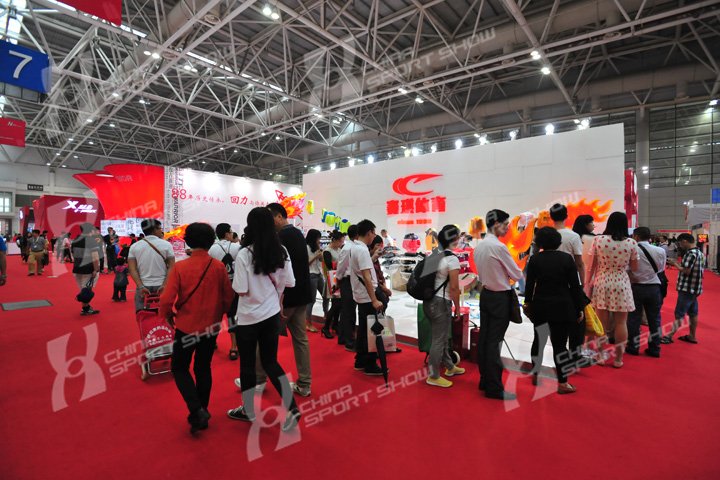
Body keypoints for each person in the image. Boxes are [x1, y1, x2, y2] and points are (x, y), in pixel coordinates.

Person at [226, 208, 302, 431]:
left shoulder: (245, 254)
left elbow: (240, 289)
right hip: (271, 315)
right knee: (271, 362)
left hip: (248, 318)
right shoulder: (282, 251)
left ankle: (248, 410)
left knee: (248, 365)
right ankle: (292, 407)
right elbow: (290, 283)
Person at [159, 223, 234, 434]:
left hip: (186, 326)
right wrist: (219, 314)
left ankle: (196, 409)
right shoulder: (218, 267)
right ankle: (203, 411)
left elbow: (166, 299)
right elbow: (228, 298)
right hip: (210, 326)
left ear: (188, 241)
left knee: (179, 367)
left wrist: (167, 315)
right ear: (211, 241)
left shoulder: (181, 267)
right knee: (203, 368)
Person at [257, 203, 313, 397]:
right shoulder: (297, 233)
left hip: (285, 298)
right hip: (302, 295)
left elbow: (277, 271)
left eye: (270, 218)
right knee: (301, 340)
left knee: (265, 338)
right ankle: (305, 384)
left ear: (280, 216)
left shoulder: (280, 237)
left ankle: (258, 380)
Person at [524, 227, 587, 394]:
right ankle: (563, 382)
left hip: (540, 305)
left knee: (539, 340)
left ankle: (536, 373)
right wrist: (579, 307)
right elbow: (575, 286)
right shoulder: (566, 259)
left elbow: (529, 284)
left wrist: (528, 303)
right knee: (560, 345)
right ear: (558, 242)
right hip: (563, 306)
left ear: (539, 243)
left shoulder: (535, 259)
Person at [472, 209, 524, 400]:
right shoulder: (498, 247)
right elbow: (517, 274)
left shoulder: (480, 246)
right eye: (506, 224)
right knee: (494, 342)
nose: (508, 228)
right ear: (496, 224)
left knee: (485, 340)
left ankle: (485, 380)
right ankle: (494, 387)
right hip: (499, 297)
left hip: (486, 295)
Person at [585, 212, 638, 368]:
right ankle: (618, 359)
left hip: (602, 281)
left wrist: (587, 284)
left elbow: (591, 266)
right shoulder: (631, 243)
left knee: (601, 323)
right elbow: (635, 268)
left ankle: (601, 355)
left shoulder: (598, 240)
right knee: (621, 323)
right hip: (622, 283)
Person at [424, 225, 465, 388]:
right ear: (453, 239)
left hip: (429, 302)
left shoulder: (434, 255)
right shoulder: (452, 259)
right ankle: (433, 375)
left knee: (442, 337)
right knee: (439, 340)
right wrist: (458, 308)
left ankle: (449, 366)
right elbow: (454, 288)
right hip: (441, 303)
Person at [550, 204, 587, 368]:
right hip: (571, 283)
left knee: (556, 322)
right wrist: (581, 284)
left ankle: (561, 354)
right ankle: (574, 355)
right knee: (577, 320)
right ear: (566, 216)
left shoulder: (547, 234)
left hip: (551, 282)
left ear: (551, 217)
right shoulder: (573, 236)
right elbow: (579, 263)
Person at [350, 219, 385, 375]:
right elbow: (366, 276)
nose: (374, 236)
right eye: (374, 233)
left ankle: (360, 360)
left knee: (364, 330)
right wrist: (374, 299)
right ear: (369, 232)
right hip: (366, 296)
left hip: (361, 294)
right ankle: (370, 363)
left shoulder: (355, 247)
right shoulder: (362, 250)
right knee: (371, 331)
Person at [626, 227, 666, 357]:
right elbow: (661, 269)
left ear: (636, 236)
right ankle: (655, 348)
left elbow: (627, 269)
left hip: (636, 287)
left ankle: (633, 347)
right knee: (655, 319)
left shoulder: (632, 250)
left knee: (633, 319)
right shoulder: (660, 250)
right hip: (654, 287)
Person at [662, 233, 705, 345]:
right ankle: (692, 336)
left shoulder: (690, 253)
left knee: (679, 313)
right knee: (693, 313)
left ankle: (669, 336)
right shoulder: (700, 253)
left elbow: (686, 271)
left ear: (685, 241)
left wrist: (674, 263)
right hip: (695, 288)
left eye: (680, 243)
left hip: (687, 288)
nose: (680, 245)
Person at [208, 223, 242, 360]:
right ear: (227, 233)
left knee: (214, 316)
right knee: (233, 316)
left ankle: (212, 342)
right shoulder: (237, 247)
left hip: (216, 287)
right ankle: (234, 347)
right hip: (233, 287)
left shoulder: (211, 249)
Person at [128, 219, 175, 312]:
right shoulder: (167, 245)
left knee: (143, 315)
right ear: (154, 230)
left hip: (143, 286)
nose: (161, 231)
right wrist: (165, 284)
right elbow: (172, 267)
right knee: (164, 315)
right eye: (160, 228)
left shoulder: (134, 246)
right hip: (162, 285)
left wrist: (140, 286)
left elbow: (132, 269)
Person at [336, 225, 359, 350]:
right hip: (347, 281)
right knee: (348, 311)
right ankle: (349, 340)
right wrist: (338, 279)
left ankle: (344, 337)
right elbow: (341, 267)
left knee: (348, 310)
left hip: (351, 281)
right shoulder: (348, 248)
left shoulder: (354, 247)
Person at [72, 223, 101, 315]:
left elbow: (73, 254)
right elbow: (95, 257)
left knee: (83, 289)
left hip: (77, 267)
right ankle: (85, 308)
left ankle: (86, 307)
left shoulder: (75, 240)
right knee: (87, 289)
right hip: (88, 268)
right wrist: (96, 269)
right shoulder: (91, 241)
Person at [321, 230, 345, 339]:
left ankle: (335, 325)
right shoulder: (327, 251)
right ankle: (326, 327)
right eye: (340, 241)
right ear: (334, 240)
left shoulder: (339, 250)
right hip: (333, 280)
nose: (341, 243)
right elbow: (329, 266)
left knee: (338, 305)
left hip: (339, 279)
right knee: (335, 305)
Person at [305, 229, 325, 333]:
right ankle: (308, 323)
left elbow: (321, 260)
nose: (319, 240)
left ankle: (326, 315)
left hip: (319, 274)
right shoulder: (306, 247)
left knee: (326, 295)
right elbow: (305, 263)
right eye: (318, 238)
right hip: (311, 275)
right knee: (311, 301)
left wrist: (321, 256)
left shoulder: (317, 247)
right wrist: (315, 256)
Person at [370, 234, 393, 313]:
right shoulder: (369, 259)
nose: (380, 248)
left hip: (380, 288)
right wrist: (385, 289)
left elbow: (380, 274)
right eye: (378, 245)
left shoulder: (376, 259)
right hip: (374, 290)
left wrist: (384, 286)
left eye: (381, 245)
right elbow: (373, 279)